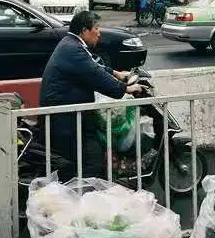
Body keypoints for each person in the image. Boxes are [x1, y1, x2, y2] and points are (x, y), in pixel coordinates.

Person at [39, 11, 147, 179]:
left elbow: (91, 66)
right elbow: (93, 73)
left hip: (69, 115)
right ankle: (82, 196)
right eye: (96, 28)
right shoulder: (73, 49)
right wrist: (125, 88)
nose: (99, 32)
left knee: (85, 158)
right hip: (67, 119)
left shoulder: (72, 44)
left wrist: (115, 73)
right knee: (93, 159)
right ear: (84, 30)